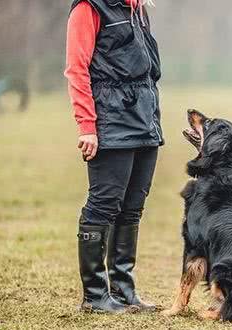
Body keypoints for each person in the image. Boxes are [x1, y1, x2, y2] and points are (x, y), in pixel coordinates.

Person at [65, 0, 162, 313]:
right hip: (110, 123)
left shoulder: (138, 9)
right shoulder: (88, 9)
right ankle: (94, 296)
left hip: (146, 120)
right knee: (104, 205)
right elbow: (76, 69)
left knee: (132, 209)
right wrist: (87, 126)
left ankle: (123, 291)